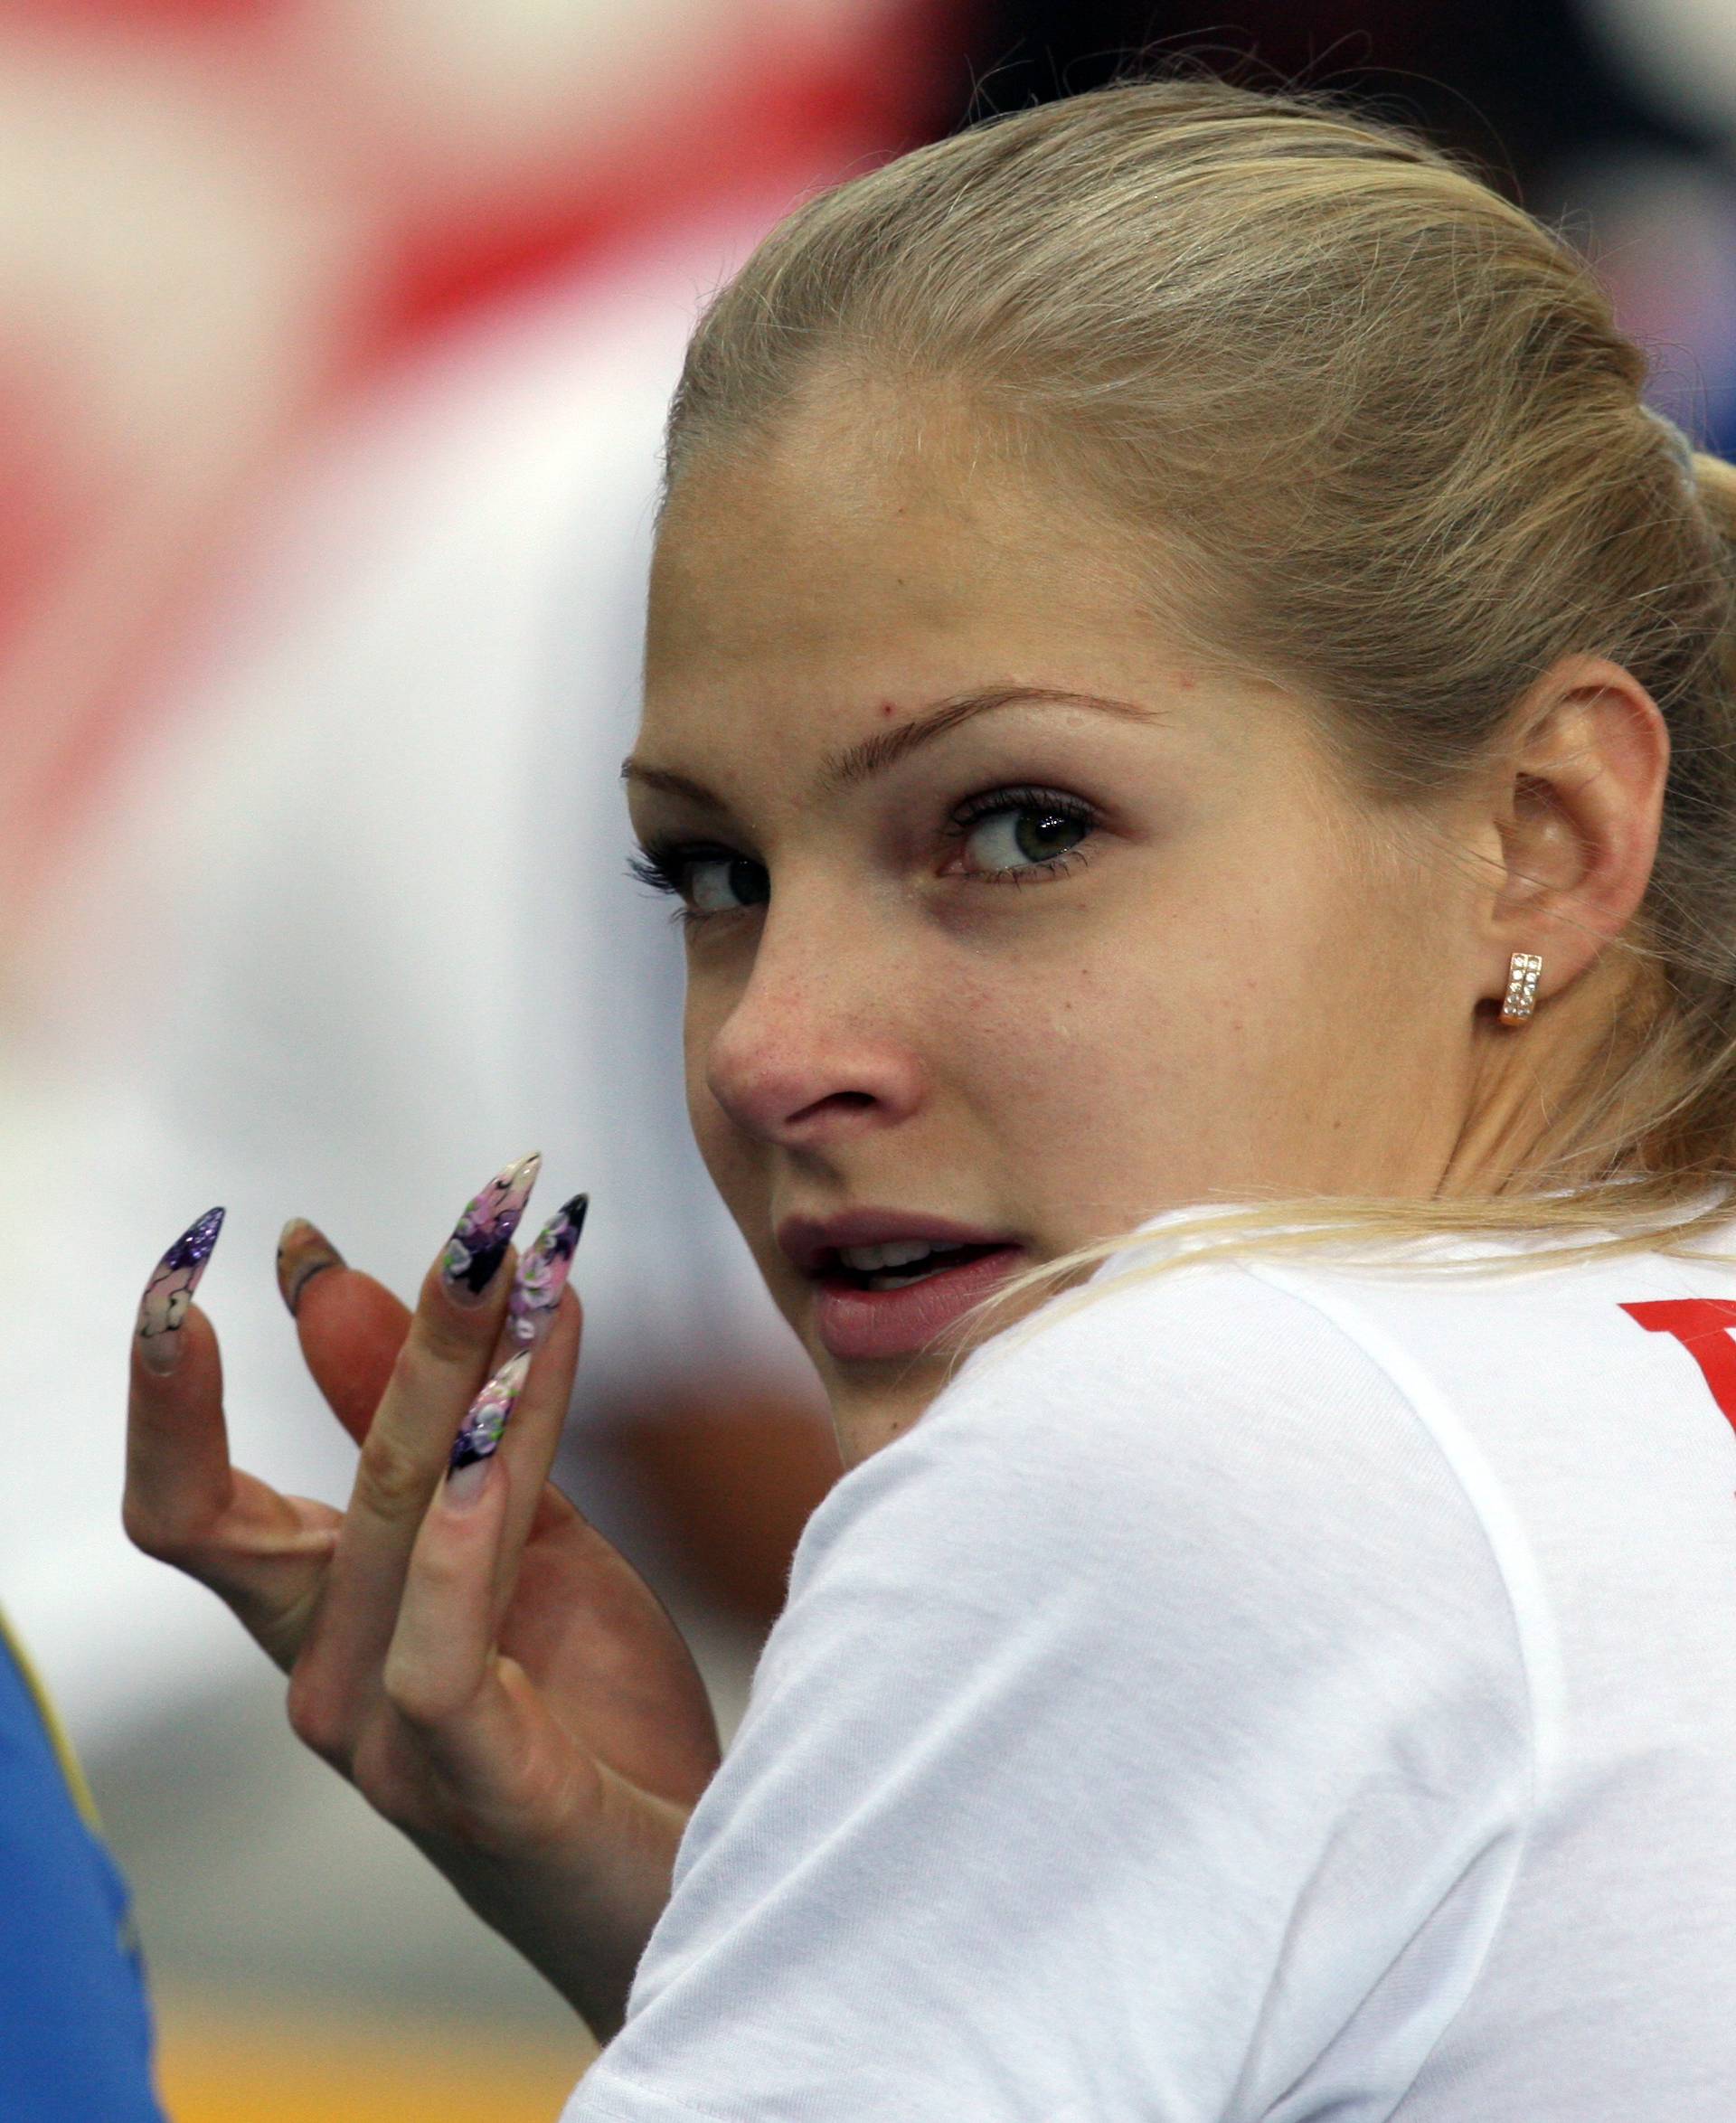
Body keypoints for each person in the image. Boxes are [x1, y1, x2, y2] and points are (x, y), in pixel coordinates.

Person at [122, 73, 1736, 2118]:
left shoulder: (1193, 1426)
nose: (767, 1049)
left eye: (1021, 826)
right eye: (710, 876)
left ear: (1542, 828)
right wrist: (774, 1931)